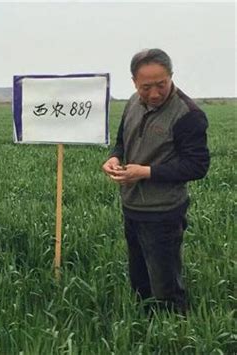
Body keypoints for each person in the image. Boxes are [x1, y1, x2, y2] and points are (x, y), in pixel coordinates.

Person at [102, 49, 210, 314]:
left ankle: (173, 331)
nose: (154, 93)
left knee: (165, 286)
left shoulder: (188, 114)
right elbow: (121, 143)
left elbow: (197, 165)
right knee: (139, 279)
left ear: (171, 76)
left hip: (164, 212)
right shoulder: (131, 104)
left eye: (161, 84)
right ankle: (144, 329)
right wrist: (114, 158)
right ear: (134, 82)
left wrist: (146, 172)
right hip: (131, 206)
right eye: (145, 87)